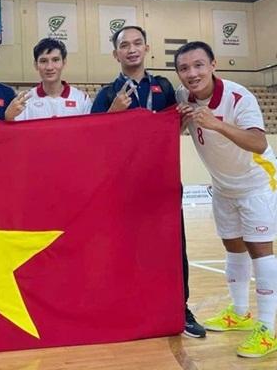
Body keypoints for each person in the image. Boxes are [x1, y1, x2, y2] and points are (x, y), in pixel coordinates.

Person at [91, 26, 206, 338]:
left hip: (161, 183)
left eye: (137, 43)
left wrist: (181, 120)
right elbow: (93, 140)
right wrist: (112, 112)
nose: (131, 49)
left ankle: (180, 308)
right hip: (122, 188)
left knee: (173, 247)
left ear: (146, 48)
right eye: (124, 45)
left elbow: (170, 129)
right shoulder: (106, 94)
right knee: (123, 249)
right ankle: (125, 309)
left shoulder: (164, 87)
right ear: (115, 53)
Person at [176, 41, 277, 357]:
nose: (192, 73)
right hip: (223, 186)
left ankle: (268, 329)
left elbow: (259, 143)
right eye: (184, 68)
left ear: (213, 65)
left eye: (198, 65)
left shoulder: (239, 96)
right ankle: (240, 312)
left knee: (260, 251)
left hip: (256, 183)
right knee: (233, 246)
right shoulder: (183, 97)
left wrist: (216, 123)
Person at [4, 38, 91, 121]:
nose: (49, 67)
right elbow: (16, 130)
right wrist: (9, 117)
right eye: (43, 61)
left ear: (64, 63)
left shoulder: (81, 99)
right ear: (36, 65)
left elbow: (89, 130)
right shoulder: (25, 101)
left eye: (55, 60)